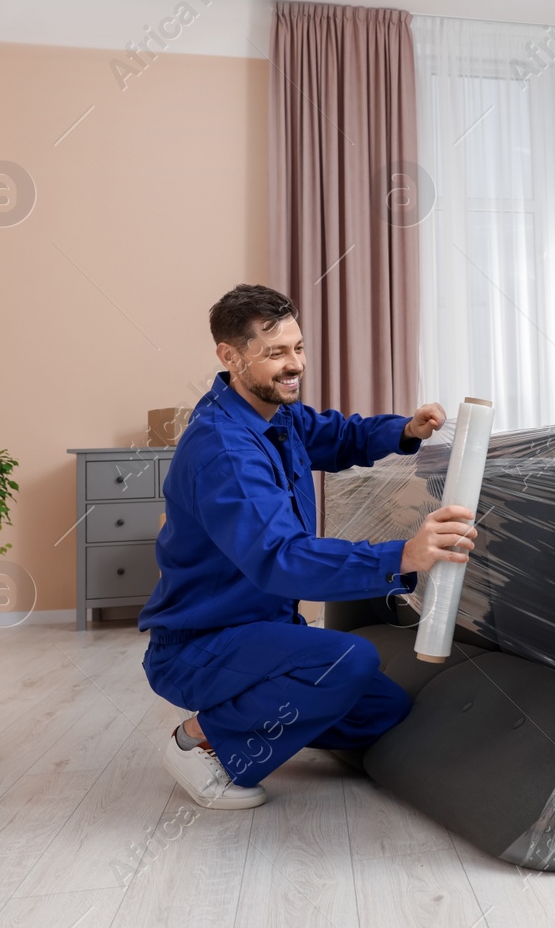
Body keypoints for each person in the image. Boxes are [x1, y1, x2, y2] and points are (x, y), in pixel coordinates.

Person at [139, 284, 478, 808]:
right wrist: (403, 557)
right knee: (346, 660)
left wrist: (405, 431)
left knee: (381, 712)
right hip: (199, 646)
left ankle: (268, 713)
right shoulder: (225, 449)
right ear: (230, 356)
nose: (294, 364)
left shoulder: (277, 414)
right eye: (275, 353)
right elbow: (282, 559)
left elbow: (338, 436)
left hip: (263, 630)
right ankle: (199, 741)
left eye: (298, 347)